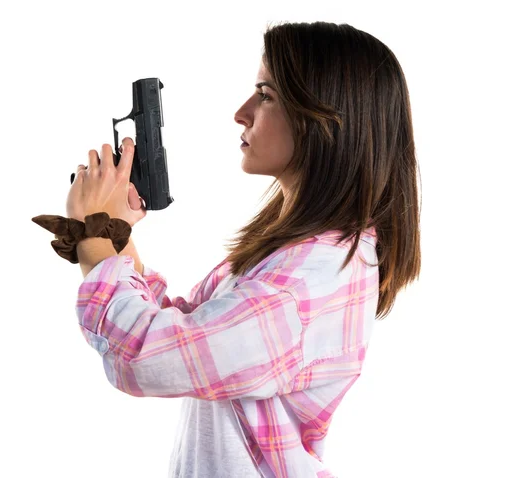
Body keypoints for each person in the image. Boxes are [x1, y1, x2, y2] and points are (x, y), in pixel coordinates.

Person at [69, 21, 421, 478]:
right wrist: (113, 232)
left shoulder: (303, 285)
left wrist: (90, 232)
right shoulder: (300, 254)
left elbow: (143, 356)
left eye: (266, 94)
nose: (242, 112)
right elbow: (186, 327)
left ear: (325, 118)